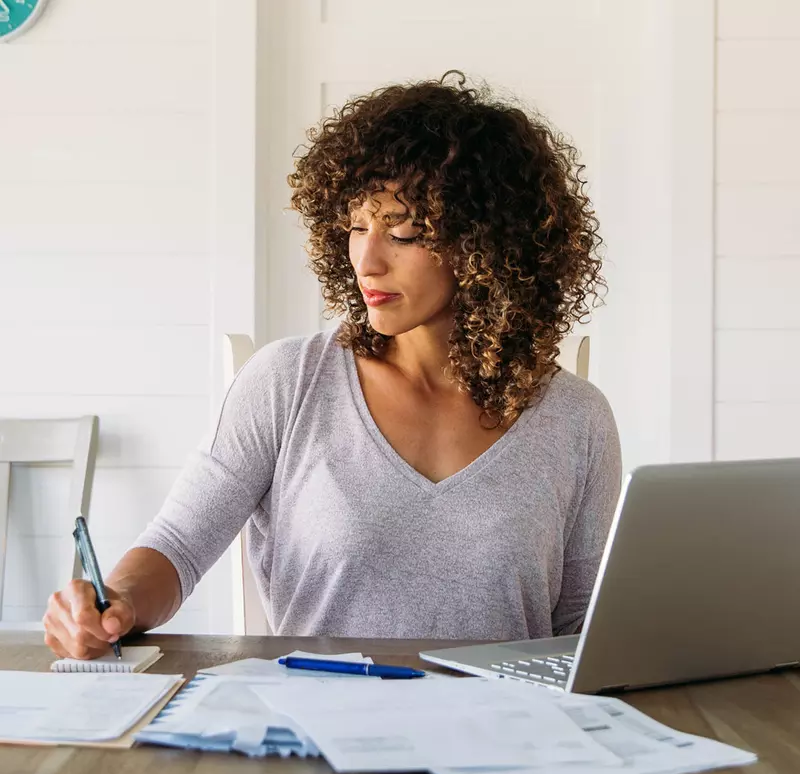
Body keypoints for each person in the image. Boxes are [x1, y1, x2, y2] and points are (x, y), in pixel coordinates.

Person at [44, 72, 622, 660]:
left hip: (506, 737)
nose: (366, 261)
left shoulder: (576, 418)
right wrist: (114, 602)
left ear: (489, 245)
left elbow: (583, 629)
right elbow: (177, 546)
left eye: (404, 233)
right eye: (355, 227)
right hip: (317, 731)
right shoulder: (288, 382)